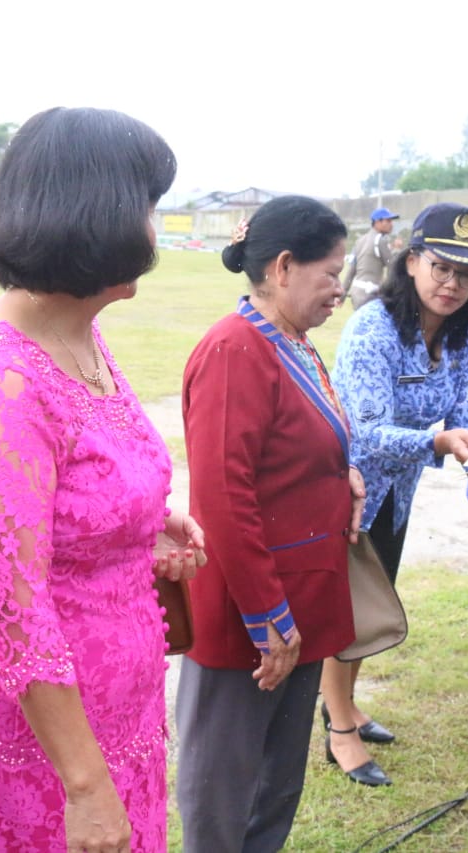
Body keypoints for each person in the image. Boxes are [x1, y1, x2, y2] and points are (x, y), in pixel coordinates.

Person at [0, 106, 203, 853]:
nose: (156, 228)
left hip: (120, 714)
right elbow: (12, 607)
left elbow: (80, 482)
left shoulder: (78, 328)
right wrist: (85, 786)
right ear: (100, 217)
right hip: (44, 745)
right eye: (149, 206)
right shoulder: (2, 385)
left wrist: (148, 521)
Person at [175, 196, 362, 851]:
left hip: (300, 600)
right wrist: (268, 616)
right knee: (223, 785)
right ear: (284, 266)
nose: (341, 287)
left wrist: (346, 476)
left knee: (277, 780)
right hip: (254, 612)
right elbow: (223, 497)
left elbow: (298, 449)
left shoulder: (294, 342)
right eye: (331, 271)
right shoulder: (234, 349)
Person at [327, 202, 468, 785]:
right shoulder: (372, 328)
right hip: (347, 490)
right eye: (441, 267)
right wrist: (442, 439)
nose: (452, 284)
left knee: (370, 603)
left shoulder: (463, 340)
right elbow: (364, 429)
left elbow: (467, 417)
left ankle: (342, 704)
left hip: (397, 494)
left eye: (466, 274)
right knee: (346, 611)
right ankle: (339, 730)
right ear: (413, 261)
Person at [344, 207, 400, 310]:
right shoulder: (380, 240)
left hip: (357, 292)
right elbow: (392, 266)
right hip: (369, 293)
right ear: (377, 222)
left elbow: (351, 270)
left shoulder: (360, 240)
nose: (391, 224)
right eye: (388, 221)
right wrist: (397, 250)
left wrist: (343, 294)